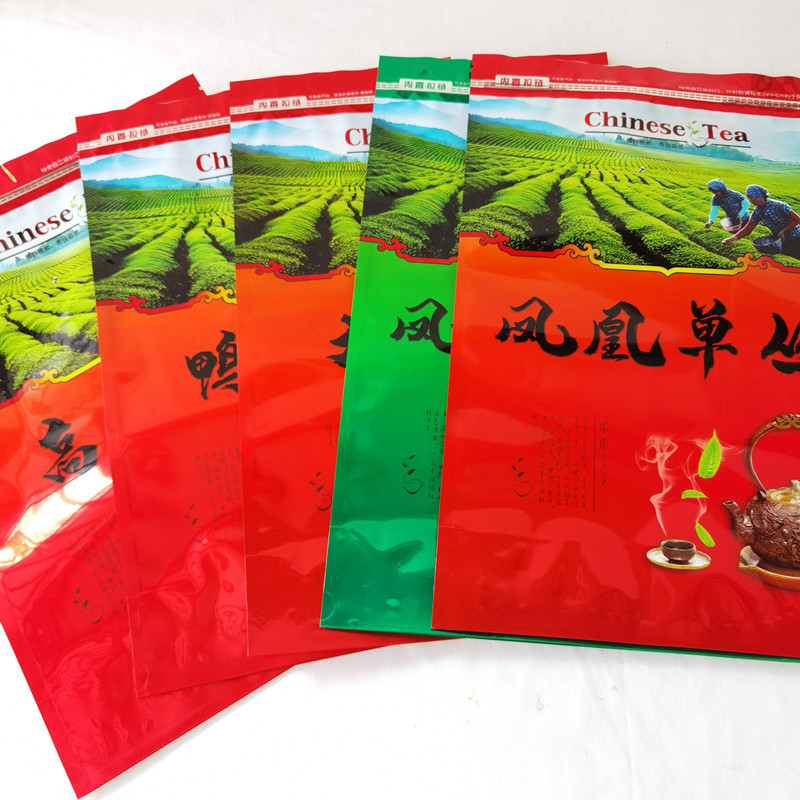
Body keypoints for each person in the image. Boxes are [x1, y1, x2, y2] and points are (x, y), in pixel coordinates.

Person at [722, 184, 800, 257]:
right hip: (781, 240)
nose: (750, 201)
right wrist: (732, 239)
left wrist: (785, 230)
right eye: (749, 198)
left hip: (796, 236)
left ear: (759, 196)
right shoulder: (757, 212)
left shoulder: (778, 205)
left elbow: (797, 219)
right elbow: (748, 229)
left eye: (751, 198)